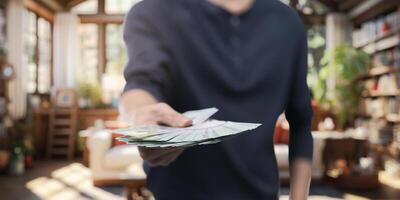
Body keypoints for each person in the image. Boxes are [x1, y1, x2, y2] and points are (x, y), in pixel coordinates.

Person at [120, 0, 313, 199]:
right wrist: (142, 116)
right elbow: (141, 84)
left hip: (260, 193)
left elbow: (301, 120)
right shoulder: (153, 12)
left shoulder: (287, 22)